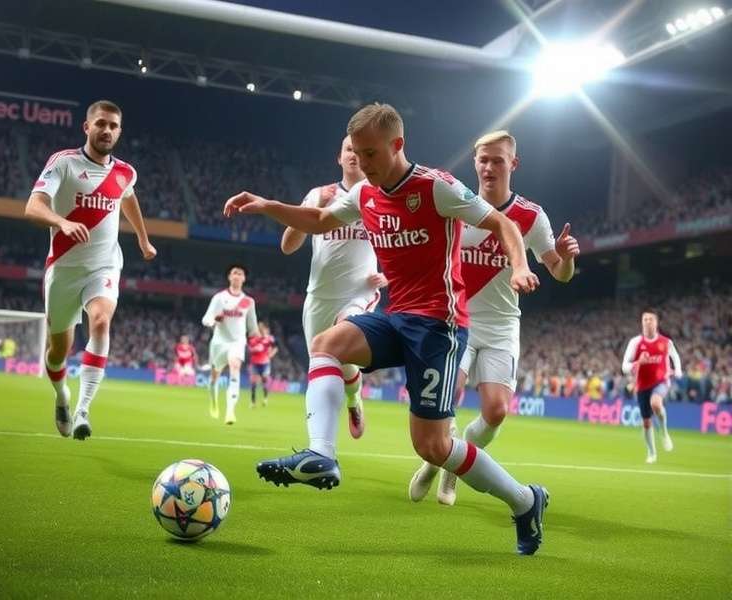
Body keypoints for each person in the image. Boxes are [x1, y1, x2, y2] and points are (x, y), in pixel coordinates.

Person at [224, 103, 549, 555]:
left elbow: (501, 222)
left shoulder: (436, 187)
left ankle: (524, 500)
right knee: (326, 344)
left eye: (371, 154)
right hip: (398, 316)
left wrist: (517, 266)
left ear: (397, 146)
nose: (363, 164)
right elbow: (318, 220)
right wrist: (266, 206)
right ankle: (322, 454)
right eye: (357, 153)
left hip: (440, 326)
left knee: (433, 447)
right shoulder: (364, 195)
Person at [409, 130, 580, 505]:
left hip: (502, 326)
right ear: (475, 163)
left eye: (497, 160)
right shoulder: (457, 204)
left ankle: (452, 464)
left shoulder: (531, 216)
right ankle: (436, 460)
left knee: (497, 411)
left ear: (513, 164)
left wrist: (566, 258)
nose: (489, 167)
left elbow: (558, 272)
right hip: (457, 321)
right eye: (483, 160)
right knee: (446, 396)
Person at [24, 99, 157, 440]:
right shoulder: (63, 163)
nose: (107, 130)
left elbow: (128, 197)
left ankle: (83, 409)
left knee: (101, 320)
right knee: (58, 351)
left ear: (120, 131)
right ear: (87, 127)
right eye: (101, 123)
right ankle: (62, 395)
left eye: (113, 126)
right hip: (64, 269)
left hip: (104, 264)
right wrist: (60, 222)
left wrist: (143, 239)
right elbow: (33, 206)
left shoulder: (126, 172)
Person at [281, 135, 386, 438]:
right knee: (327, 362)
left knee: (344, 337)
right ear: (339, 158)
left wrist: (386, 276)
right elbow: (287, 246)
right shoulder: (319, 194)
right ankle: (354, 399)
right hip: (319, 296)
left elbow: (399, 246)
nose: (354, 155)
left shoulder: (379, 197)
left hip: (359, 292)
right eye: (348, 150)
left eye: (361, 151)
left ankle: (326, 441)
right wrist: (310, 215)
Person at [621, 309, 682, 463]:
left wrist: (679, 370)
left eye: (651, 319)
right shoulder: (635, 343)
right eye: (645, 319)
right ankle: (652, 452)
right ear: (641, 323)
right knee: (646, 422)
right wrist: (638, 363)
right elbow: (624, 367)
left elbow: (674, 355)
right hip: (642, 385)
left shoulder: (665, 342)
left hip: (661, 381)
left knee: (656, 402)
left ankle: (664, 432)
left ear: (656, 322)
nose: (648, 322)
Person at [201, 265, 259, 424]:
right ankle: (213, 402)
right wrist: (214, 320)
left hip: (237, 342)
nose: (237, 276)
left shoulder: (248, 301)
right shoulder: (219, 297)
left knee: (235, 367)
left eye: (240, 273)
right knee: (215, 377)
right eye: (234, 273)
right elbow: (206, 319)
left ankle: (230, 411)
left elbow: (253, 327)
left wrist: (258, 340)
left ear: (244, 278)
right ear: (229, 277)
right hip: (219, 342)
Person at [247, 321, 278, 407]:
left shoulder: (269, 339)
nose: (260, 329)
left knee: (264, 380)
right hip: (254, 363)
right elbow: (249, 349)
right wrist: (254, 349)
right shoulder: (253, 339)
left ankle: (265, 398)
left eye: (261, 328)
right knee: (253, 382)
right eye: (259, 328)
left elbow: (275, 347)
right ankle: (253, 402)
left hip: (264, 363)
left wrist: (271, 354)